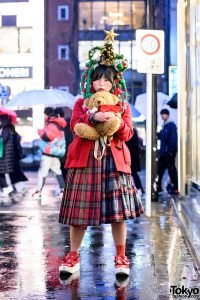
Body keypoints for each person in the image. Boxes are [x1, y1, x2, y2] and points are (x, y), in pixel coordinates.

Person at [58, 29, 144, 279]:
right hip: (85, 162)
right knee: (79, 215)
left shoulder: (123, 105)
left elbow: (128, 135)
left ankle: (121, 256)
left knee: (118, 215)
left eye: (107, 80)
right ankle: (73, 257)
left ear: (114, 82)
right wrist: (93, 116)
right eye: (98, 79)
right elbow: (75, 126)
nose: (102, 84)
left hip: (114, 162)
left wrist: (115, 122)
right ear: (91, 81)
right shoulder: (80, 103)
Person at [32, 107, 66, 199]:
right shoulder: (59, 125)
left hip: (48, 152)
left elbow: (49, 136)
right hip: (55, 153)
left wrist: (40, 133)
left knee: (42, 173)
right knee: (57, 172)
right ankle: (63, 191)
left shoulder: (51, 124)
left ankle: (38, 192)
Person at [0, 115, 28, 198]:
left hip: (5, 156)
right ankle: (8, 188)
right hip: (8, 156)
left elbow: (3, 140)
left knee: (6, 173)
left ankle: (7, 188)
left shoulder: (6, 130)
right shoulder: (9, 129)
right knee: (9, 173)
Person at [157, 108, 178, 194]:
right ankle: (158, 187)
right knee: (160, 170)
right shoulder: (164, 125)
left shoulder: (171, 125)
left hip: (168, 153)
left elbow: (173, 139)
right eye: (161, 114)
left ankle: (175, 187)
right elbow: (162, 137)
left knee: (171, 170)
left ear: (167, 115)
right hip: (163, 153)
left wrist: (170, 151)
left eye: (164, 114)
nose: (162, 116)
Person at [54, 108, 74, 179]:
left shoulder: (60, 125)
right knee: (66, 173)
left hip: (63, 153)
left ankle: (64, 188)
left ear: (58, 115)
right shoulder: (67, 125)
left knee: (63, 172)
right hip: (68, 153)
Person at [125, 128, 145, 196]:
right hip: (133, 157)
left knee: (133, 173)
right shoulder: (134, 131)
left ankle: (138, 188)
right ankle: (139, 188)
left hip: (131, 157)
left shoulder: (131, 131)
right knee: (133, 174)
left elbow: (131, 145)